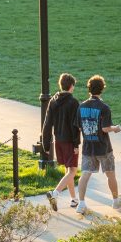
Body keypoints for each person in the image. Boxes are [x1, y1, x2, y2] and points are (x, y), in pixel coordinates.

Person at [76, 75, 121, 213]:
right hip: (103, 148)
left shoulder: (81, 106)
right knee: (110, 174)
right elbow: (105, 128)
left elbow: (80, 127)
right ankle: (115, 201)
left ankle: (81, 204)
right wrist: (115, 128)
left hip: (88, 147)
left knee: (85, 174)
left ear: (89, 88)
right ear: (102, 89)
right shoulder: (104, 107)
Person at [41, 73, 81, 212]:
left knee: (68, 169)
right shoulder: (74, 102)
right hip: (70, 141)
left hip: (58, 140)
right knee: (73, 170)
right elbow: (75, 126)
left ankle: (74, 199)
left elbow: (47, 124)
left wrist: (45, 144)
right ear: (71, 86)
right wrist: (76, 144)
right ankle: (55, 193)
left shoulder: (53, 100)